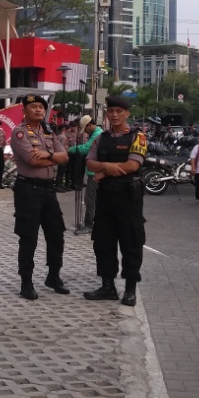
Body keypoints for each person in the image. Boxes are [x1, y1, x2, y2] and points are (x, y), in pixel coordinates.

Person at [82, 96, 148, 306]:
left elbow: (133, 166)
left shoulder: (138, 137)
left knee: (131, 243)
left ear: (127, 113)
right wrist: (106, 168)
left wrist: (104, 171)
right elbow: (90, 163)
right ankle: (107, 286)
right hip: (106, 198)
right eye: (111, 111)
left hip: (128, 198)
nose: (115, 115)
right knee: (103, 242)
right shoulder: (102, 138)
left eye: (119, 111)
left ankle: (130, 289)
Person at [10, 94, 69, 300]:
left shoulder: (48, 131)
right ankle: (26, 282)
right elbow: (32, 161)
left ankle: (53, 276)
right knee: (29, 238)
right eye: (33, 106)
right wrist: (53, 159)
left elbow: (65, 158)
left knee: (56, 234)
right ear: (24, 110)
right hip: (28, 190)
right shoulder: (19, 133)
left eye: (41, 107)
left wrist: (48, 156)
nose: (38, 110)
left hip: (48, 190)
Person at [70, 116, 103, 235]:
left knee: (89, 198)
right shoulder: (96, 133)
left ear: (89, 125)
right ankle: (93, 222)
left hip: (95, 173)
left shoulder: (97, 134)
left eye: (85, 129)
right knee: (94, 198)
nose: (85, 132)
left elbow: (86, 149)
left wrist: (70, 150)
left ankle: (89, 224)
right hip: (94, 171)